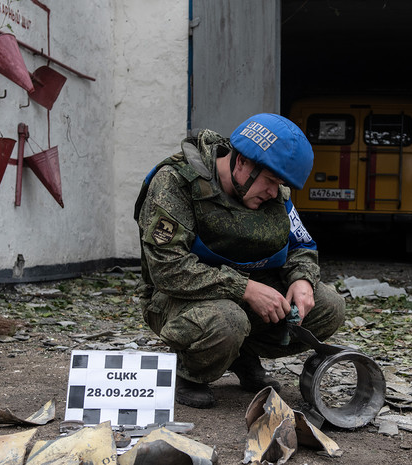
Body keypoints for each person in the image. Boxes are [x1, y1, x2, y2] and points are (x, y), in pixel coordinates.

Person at [133, 113, 346, 408]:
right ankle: (191, 372)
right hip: (175, 297)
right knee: (226, 321)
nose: (275, 191)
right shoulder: (176, 183)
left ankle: (239, 354)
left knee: (329, 307)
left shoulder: (274, 192)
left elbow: (301, 244)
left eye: (281, 183)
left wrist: (302, 279)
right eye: (271, 181)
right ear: (242, 162)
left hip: (244, 294)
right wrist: (245, 289)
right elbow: (167, 270)